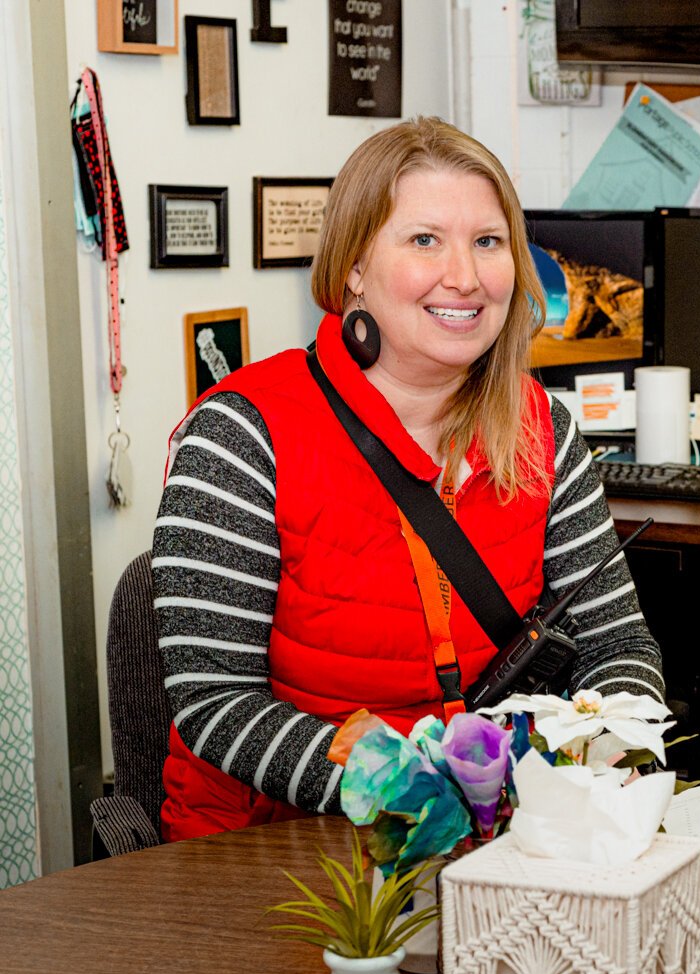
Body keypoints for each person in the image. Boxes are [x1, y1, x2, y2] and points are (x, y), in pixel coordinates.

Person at [153, 117, 663, 841]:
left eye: (487, 242)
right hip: (281, 846)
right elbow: (215, 705)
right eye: (425, 240)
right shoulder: (240, 436)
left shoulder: (544, 431)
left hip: (500, 831)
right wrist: (416, 794)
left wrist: (608, 758)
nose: (464, 276)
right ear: (355, 266)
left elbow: (619, 648)